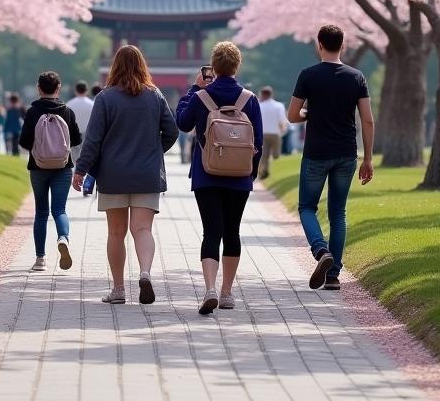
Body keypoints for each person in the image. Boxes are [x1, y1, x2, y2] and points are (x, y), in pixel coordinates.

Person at [73, 46, 178, 304]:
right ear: (143, 65)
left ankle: (118, 290)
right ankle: (144, 273)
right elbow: (172, 131)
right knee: (142, 229)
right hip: (147, 174)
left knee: (116, 232)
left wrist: (81, 169)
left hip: (113, 174)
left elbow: (93, 139)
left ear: (115, 67)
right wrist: (154, 152)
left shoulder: (106, 98)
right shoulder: (155, 96)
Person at [176, 41, 263, 315]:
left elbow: (182, 123)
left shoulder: (202, 96)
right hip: (239, 176)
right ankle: (227, 292)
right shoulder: (249, 99)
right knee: (232, 231)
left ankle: (210, 288)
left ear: (213, 67)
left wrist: (194, 89)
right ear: (237, 66)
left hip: (207, 174)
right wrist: (251, 172)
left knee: (211, 231)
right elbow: (257, 140)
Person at [288, 23, 374, 292]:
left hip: (316, 152)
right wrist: (368, 158)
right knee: (338, 212)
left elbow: (292, 115)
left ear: (319, 44)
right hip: (346, 153)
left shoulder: (308, 75)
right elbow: (367, 120)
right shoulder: (356, 77)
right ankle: (334, 274)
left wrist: (308, 114)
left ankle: (320, 249)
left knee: (307, 207)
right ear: (343, 45)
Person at [18, 71, 83, 272]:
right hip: (63, 167)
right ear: (58, 88)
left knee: (41, 213)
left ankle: (40, 259)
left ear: (39, 88)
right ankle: (63, 238)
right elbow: (77, 140)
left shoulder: (32, 112)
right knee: (60, 210)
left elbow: (24, 142)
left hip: (38, 167)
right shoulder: (67, 112)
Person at [257, 86, 288, 180]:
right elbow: (282, 120)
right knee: (276, 154)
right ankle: (265, 171)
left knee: (264, 155)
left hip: (263, 133)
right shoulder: (279, 105)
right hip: (275, 133)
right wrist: (283, 130)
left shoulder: (259, 105)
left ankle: (264, 170)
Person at [66, 79, 95, 164]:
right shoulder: (92, 104)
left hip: (73, 133)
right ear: (86, 90)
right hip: (88, 134)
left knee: (75, 159)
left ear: (76, 90)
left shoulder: (69, 104)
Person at [83, 86, 102, 195]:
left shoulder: (94, 101)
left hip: (91, 134)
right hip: (99, 136)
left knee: (92, 163)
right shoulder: (102, 100)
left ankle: (87, 186)